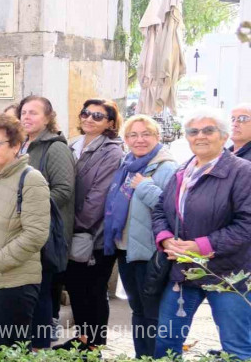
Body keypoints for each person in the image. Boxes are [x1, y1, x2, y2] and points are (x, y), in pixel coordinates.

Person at [152, 108, 251, 360]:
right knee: (166, 341)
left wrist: (201, 246)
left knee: (236, 348)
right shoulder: (182, 171)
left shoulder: (243, 172)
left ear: (224, 135)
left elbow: (247, 224)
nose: (201, 136)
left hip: (227, 274)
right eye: (193, 131)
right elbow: (159, 210)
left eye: (209, 130)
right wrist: (165, 238)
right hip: (182, 273)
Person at [0, 114, 50, 347]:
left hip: (14, 283)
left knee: (12, 348)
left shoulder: (31, 179)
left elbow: (35, 235)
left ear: (16, 146)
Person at [101, 115, 176, 358]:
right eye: (133, 135)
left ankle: (156, 357)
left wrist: (144, 186)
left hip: (151, 253)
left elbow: (172, 210)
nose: (139, 139)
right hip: (126, 250)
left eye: (146, 134)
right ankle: (141, 356)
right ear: (126, 139)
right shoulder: (127, 164)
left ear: (157, 137)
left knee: (153, 313)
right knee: (138, 310)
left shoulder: (167, 167)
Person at [57, 99, 124, 351]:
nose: (89, 119)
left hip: (95, 234)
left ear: (109, 122)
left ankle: (95, 345)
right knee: (76, 287)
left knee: (94, 290)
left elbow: (99, 195)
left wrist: (74, 224)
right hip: (72, 232)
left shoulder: (112, 151)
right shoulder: (73, 143)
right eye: (86, 113)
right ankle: (83, 340)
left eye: (98, 116)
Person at [15, 95, 75, 350]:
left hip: (45, 232)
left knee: (39, 293)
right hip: (20, 229)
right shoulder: (22, 145)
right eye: (24, 112)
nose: (27, 117)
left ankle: (40, 347)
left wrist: (24, 204)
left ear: (48, 118)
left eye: (34, 113)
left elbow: (63, 189)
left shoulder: (55, 147)